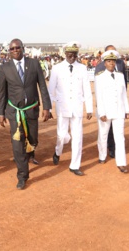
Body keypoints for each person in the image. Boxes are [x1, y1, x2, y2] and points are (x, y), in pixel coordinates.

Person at [0, 39, 52, 190]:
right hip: (14, 111)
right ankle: (22, 175)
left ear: (23, 48)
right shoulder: (5, 68)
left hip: (31, 109)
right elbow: (2, 92)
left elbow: (42, 86)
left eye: (18, 47)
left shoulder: (34, 64)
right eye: (12, 48)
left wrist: (47, 107)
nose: (15, 50)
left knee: (33, 139)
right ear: (9, 51)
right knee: (17, 144)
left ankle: (30, 154)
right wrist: (0, 113)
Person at [48, 42, 93, 176]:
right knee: (62, 135)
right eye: (69, 55)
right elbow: (51, 91)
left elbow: (87, 89)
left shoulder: (82, 68)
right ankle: (58, 151)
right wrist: (49, 109)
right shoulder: (56, 68)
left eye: (74, 55)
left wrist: (89, 108)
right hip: (62, 108)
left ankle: (74, 165)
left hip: (77, 108)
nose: (72, 57)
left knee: (77, 137)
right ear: (65, 54)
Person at [95, 51, 129, 173]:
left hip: (119, 110)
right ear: (104, 63)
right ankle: (102, 155)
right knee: (103, 134)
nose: (111, 63)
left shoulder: (120, 75)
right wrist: (101, 112)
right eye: (109, 61)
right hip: (106, 111)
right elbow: (99, 96)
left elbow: (124, 94)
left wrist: (127, 109)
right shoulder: (99, 77)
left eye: (113, 61)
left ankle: (121, 163)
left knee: (120, 137)